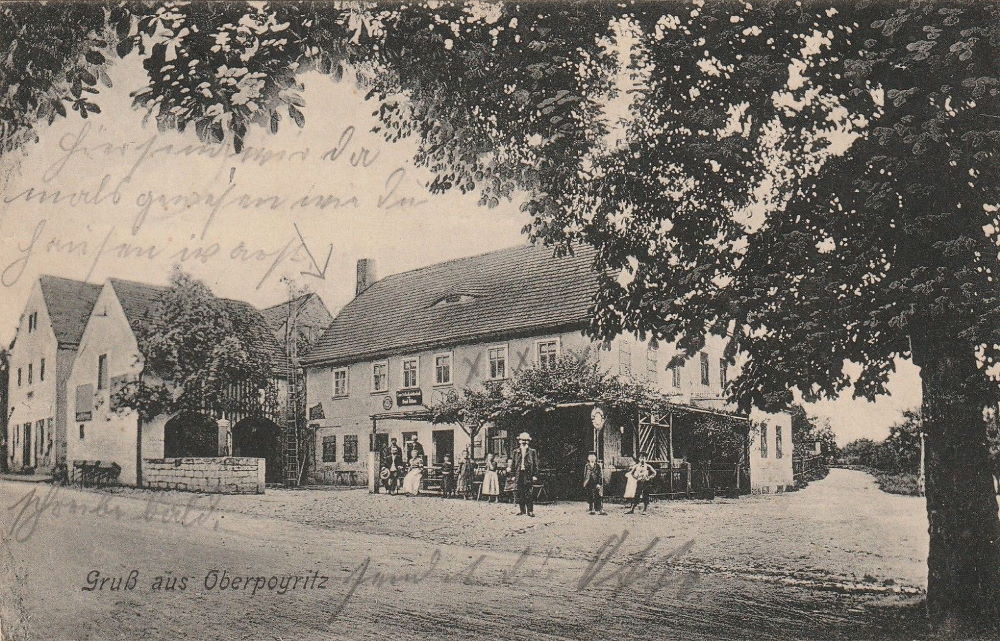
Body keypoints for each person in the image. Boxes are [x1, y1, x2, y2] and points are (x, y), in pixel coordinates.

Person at [507, 432, 539, 517]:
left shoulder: (532, 451)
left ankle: (530, 511)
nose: (524, 442)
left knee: (528, 493)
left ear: (528, 441)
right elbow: (513, 464)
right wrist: (513, 475)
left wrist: (535, 475)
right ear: (519, 441)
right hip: (519, 474)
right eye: (522, 440)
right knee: (520, 493)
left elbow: (535, 464)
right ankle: (522, 510)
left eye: (526, 440)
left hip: (528, 474)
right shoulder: (516, 452)